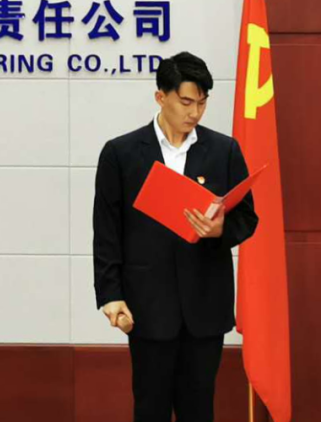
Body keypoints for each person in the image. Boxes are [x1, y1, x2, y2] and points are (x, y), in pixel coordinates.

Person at [93, 51, 259, 422]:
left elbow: (248, 218)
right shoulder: (121, 153)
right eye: (186, 102)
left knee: (199, 409)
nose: (195, 113)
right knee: (150, 408)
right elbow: (106, 232)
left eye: (202, 103)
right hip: (147, 306)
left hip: (205, 306)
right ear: (161, 97)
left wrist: (220, 230)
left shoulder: (224, 150)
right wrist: (111, 294)